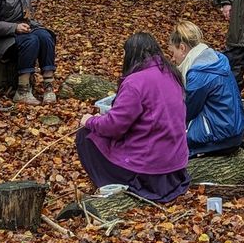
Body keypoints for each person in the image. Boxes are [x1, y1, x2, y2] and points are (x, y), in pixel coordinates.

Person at [75, 32, 191, 202]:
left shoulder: (135, 82)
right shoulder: (171, 74)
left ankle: (110, 185)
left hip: (150, 167)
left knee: (85, 135)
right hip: (176, 164)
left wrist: (90, 120)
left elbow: (114, 126)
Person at [167, 20, 244, 157]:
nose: (173, 58)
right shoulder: (216, 59)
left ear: (182, 48)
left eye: (172, 52)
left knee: (166, 140)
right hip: (234, 131)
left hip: (221, 137)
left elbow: (187, 111)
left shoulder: (198, 73)